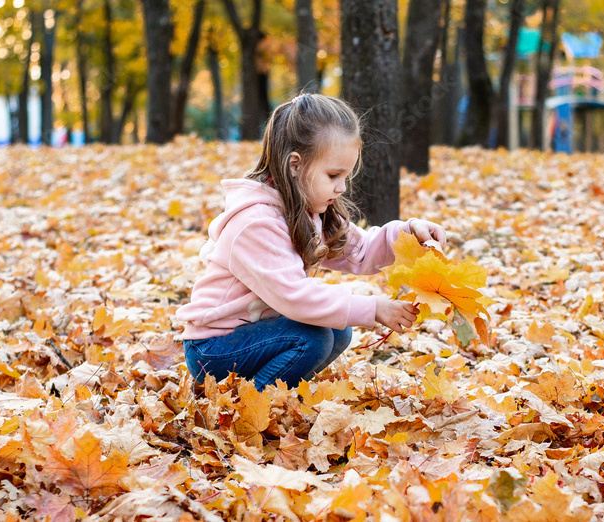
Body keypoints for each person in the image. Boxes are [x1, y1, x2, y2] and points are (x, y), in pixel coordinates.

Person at [176, 93, 446, 391]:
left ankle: (276, 396)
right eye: (333, 175)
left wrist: (410, 234)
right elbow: (295, 296)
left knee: (337, 330)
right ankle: (248, 406)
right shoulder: (255, 223)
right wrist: (373, 308)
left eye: (346, 175)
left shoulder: (308, 210)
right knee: (314, 338)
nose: (342, 187)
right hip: (214, 349)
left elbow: (361, 249)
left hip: (256, 333)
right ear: (295, 165)